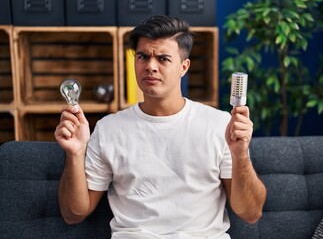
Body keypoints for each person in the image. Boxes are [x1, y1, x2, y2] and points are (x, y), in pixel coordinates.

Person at [55, 15, 266, 239]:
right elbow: (73, 214)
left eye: (163, 59)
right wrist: (75, 153)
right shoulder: (109, 129)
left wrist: (240, 153)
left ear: (184, 67)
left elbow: (251, 213)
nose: (150, 67)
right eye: (143, 57)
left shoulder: (219, 125)